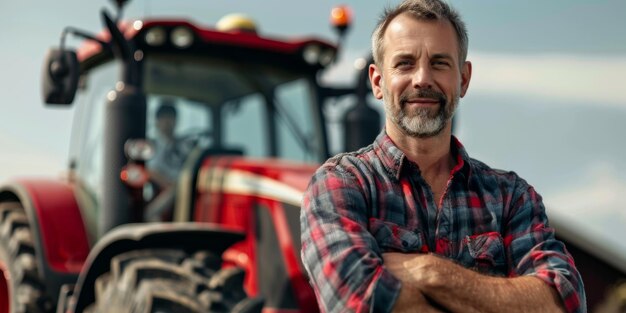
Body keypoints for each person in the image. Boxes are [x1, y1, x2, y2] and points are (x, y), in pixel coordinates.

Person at [300, 1, 586, 312]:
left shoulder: (510, 198)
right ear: (377, 81)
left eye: (439, 63)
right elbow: (360, 301)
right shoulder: (340, 184)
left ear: (463, 79)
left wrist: (429, 272)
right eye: (405, 63)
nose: (422, 78)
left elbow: (562, 302)